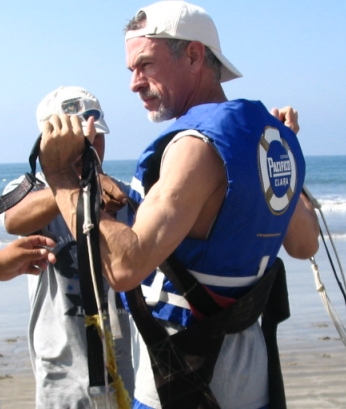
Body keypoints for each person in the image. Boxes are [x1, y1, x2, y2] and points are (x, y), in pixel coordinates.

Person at [38, 2, 320, 409]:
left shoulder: (193, 145)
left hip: (184, 378)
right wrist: (289, 157)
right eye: (131, 70)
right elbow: (304, 244)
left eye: (145, 65)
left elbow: (124, 268)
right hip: (251, 375)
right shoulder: (272, 138)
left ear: (193, 54)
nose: (135, 83)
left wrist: (62, 177)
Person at [2, 86, 133, 408]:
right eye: (74, 139)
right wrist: (76, 182)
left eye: (95, 138)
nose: (86, 147)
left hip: (130, 367)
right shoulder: (30, 190)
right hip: (62, 373)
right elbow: (13, 220)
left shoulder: (127, 194)